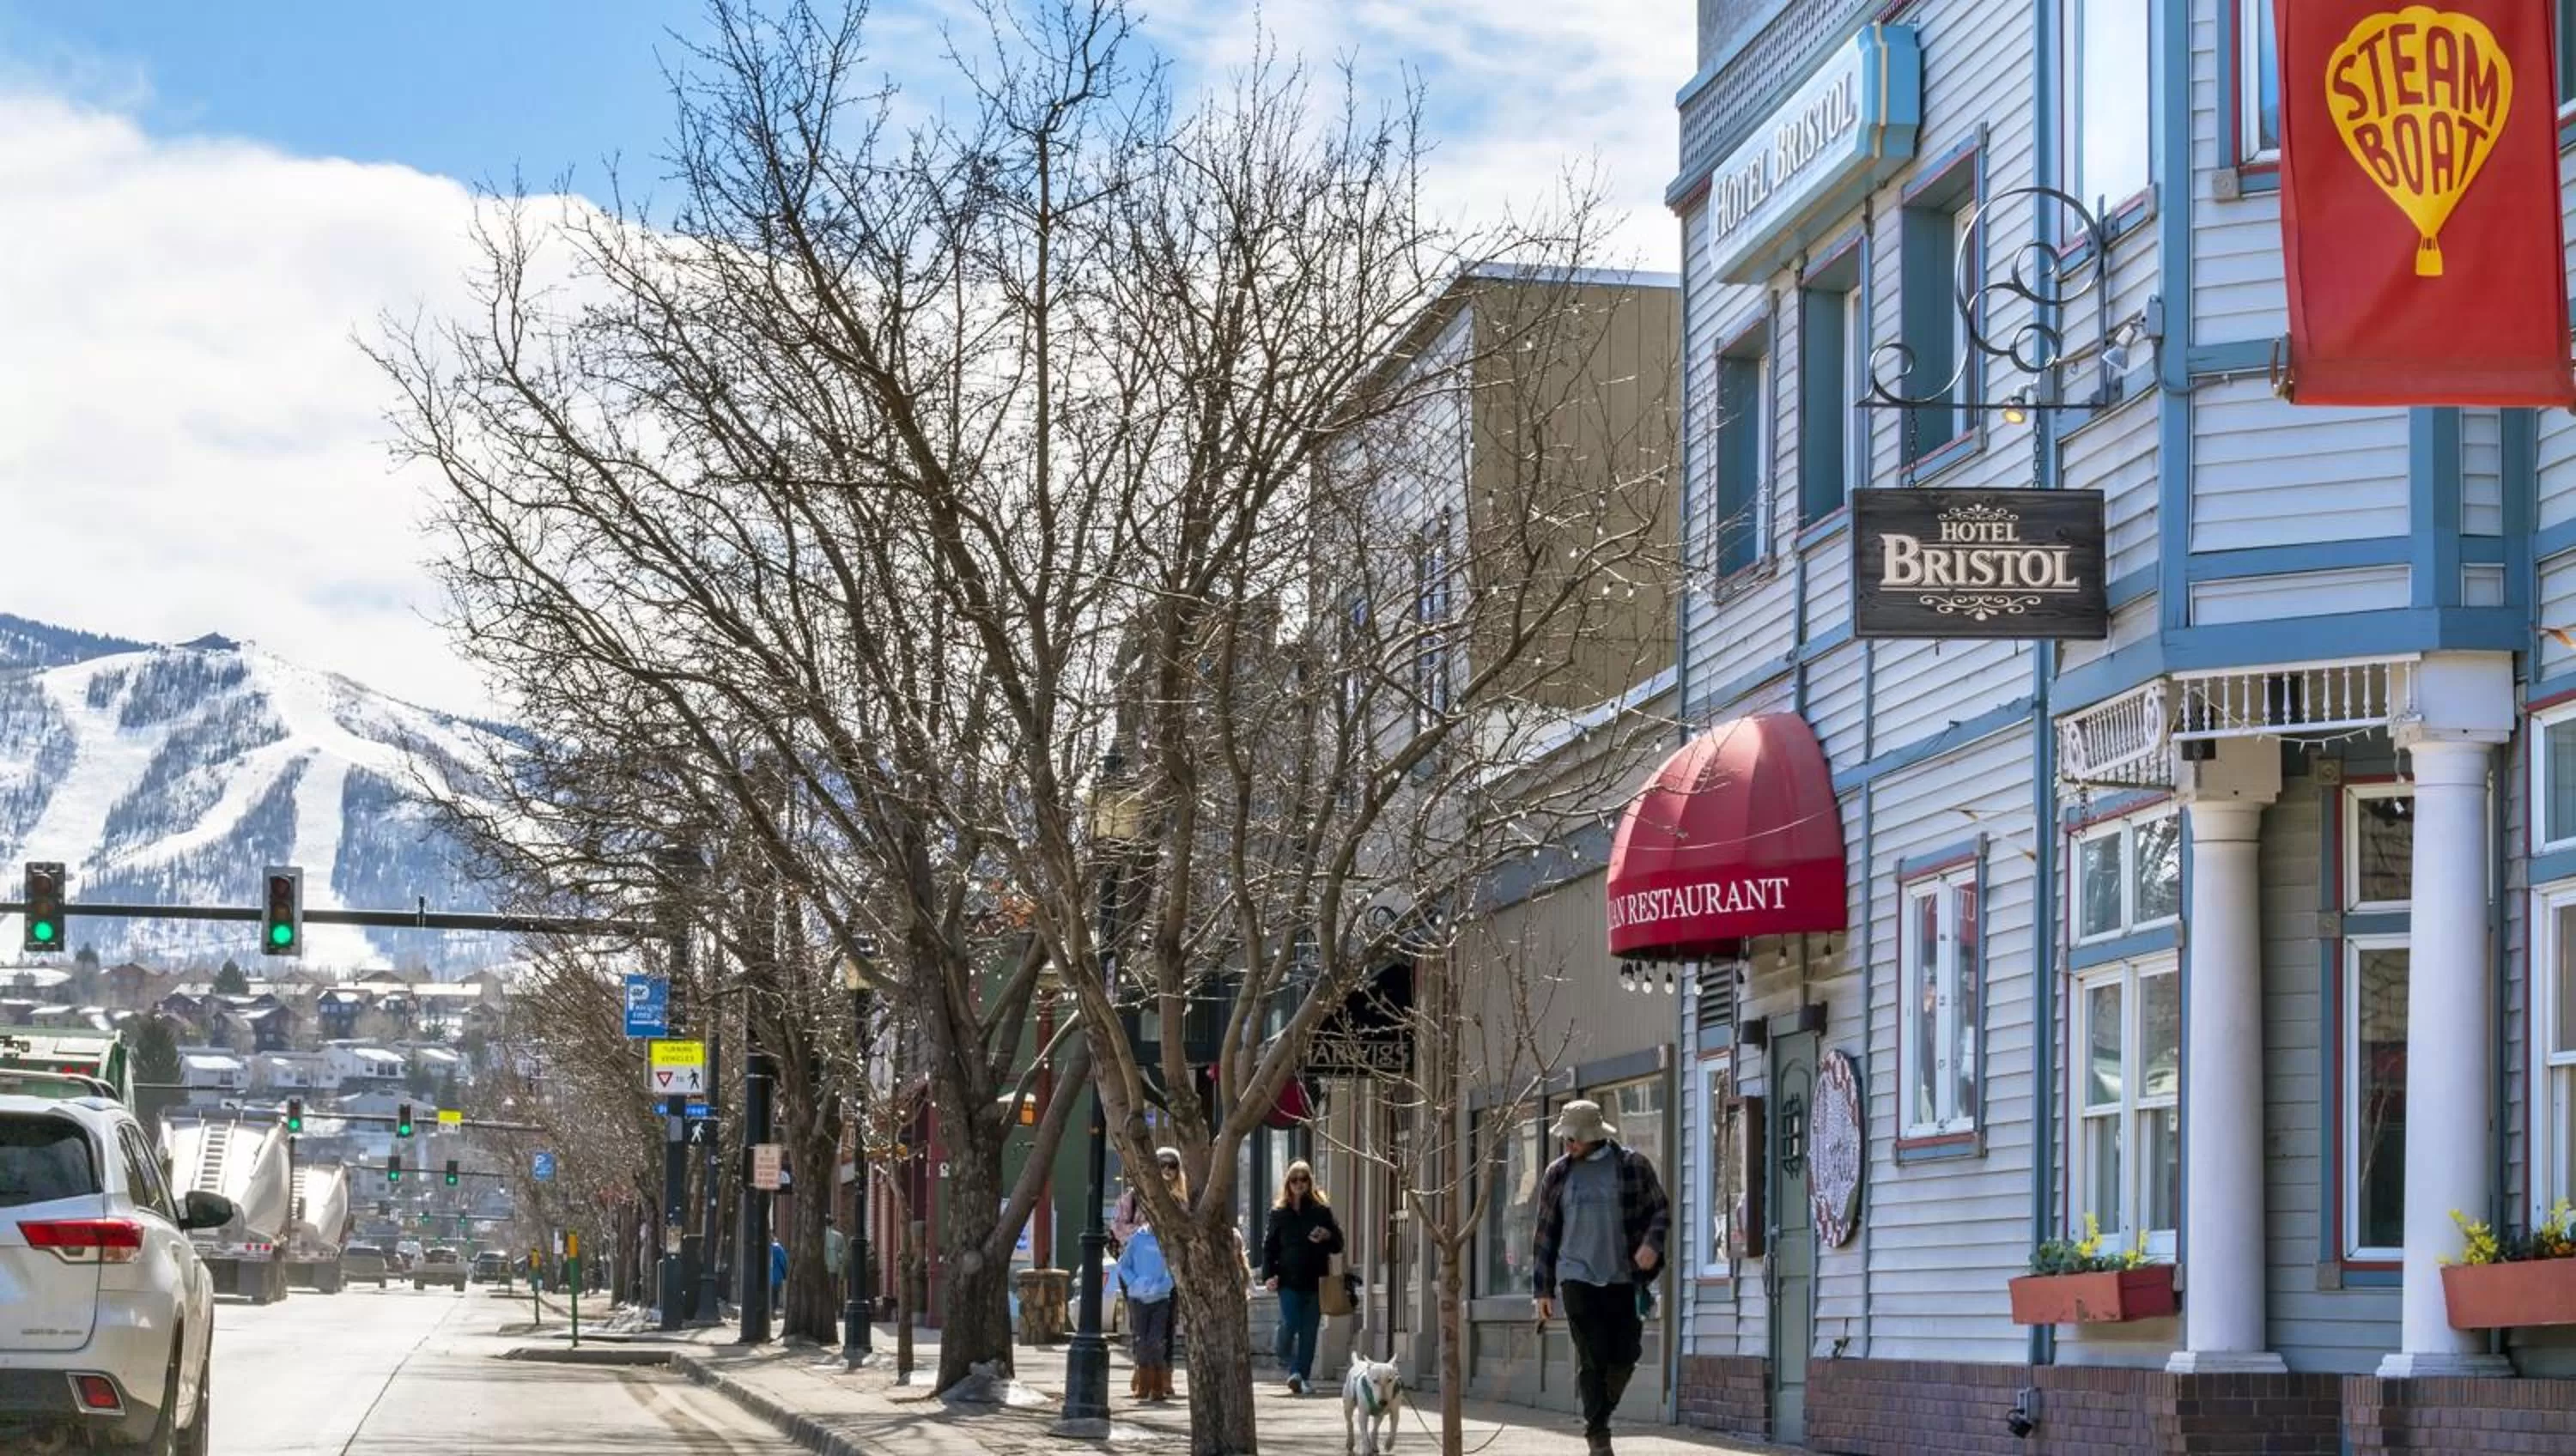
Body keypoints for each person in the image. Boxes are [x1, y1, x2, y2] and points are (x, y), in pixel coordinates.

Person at [1530, 1100, 1669, 1456]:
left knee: (1626, 1353)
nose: (1568, 1145)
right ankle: (1598, 1437)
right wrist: (1542, 1290)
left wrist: (1652, 1245)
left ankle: (1598, 1414)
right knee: (1592, 1355)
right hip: (1576, 1278)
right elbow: (1545, 1234)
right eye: (1565, 1139)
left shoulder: (1632, 1166)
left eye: (1574, 1138)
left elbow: (1660, 1210)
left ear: (1593, 1136)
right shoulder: (1557, 1174)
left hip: (1623, 1278)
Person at [1260, 1159, 1343, 1396]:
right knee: (1290, 1322)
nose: (1299, 1184)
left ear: (1310, 1182)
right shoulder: (1279, 1213)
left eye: (1304, 1179)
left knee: (1309, 1331)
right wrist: (1268, 1276)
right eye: (1295, 1180)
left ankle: (1300, 1376)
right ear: (1288, 1183)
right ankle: (1284, 1353)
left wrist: (1327, 1235)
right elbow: (1269, 1247)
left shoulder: (1321, 1211)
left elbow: (1339, 1244)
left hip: (1316, 1279)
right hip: (1288, 1280)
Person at [1115, 1201, 1178, 1404]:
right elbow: (1123, 1265)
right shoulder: (1138, 1239)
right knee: (1140, 1340)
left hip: (1160, 1299)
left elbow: (1174, 1268)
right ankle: (1143, 1385)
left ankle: (1158, 1385)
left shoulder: (1168, 1241)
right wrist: (1135, 1283)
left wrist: (1161, 1287)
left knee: (1156, 1341)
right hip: (1138, 1299)